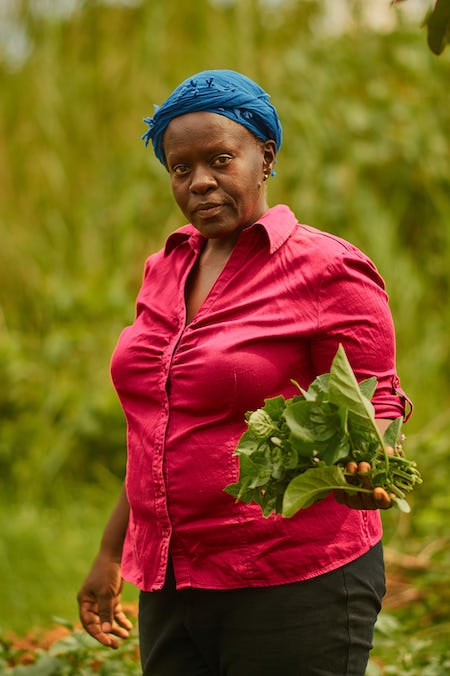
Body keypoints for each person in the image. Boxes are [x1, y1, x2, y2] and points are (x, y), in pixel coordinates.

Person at [77, 69, 411, 676]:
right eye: (181, 168)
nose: (200, 181)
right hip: (174, 579)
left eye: (221, 159)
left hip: (292, 580)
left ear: (265, 157)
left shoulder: (328, 269)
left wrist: (369, 462)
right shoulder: (166, 266)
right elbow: (157, 427)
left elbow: (377, 402)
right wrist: (111, 552)